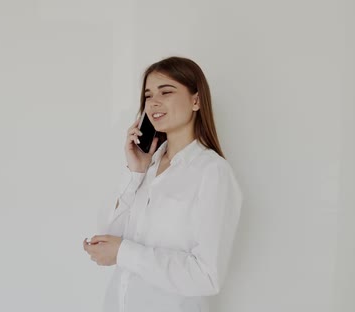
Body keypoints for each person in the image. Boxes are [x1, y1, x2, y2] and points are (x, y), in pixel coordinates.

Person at [83, 56, 243, 312]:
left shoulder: (212, 173)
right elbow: (109, 237)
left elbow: (207, 277)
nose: (153, 103)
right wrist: (134, 172)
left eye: (166, 92)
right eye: (147, 96)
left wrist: (125, 253)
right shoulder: (147, 167)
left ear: (196, 100)